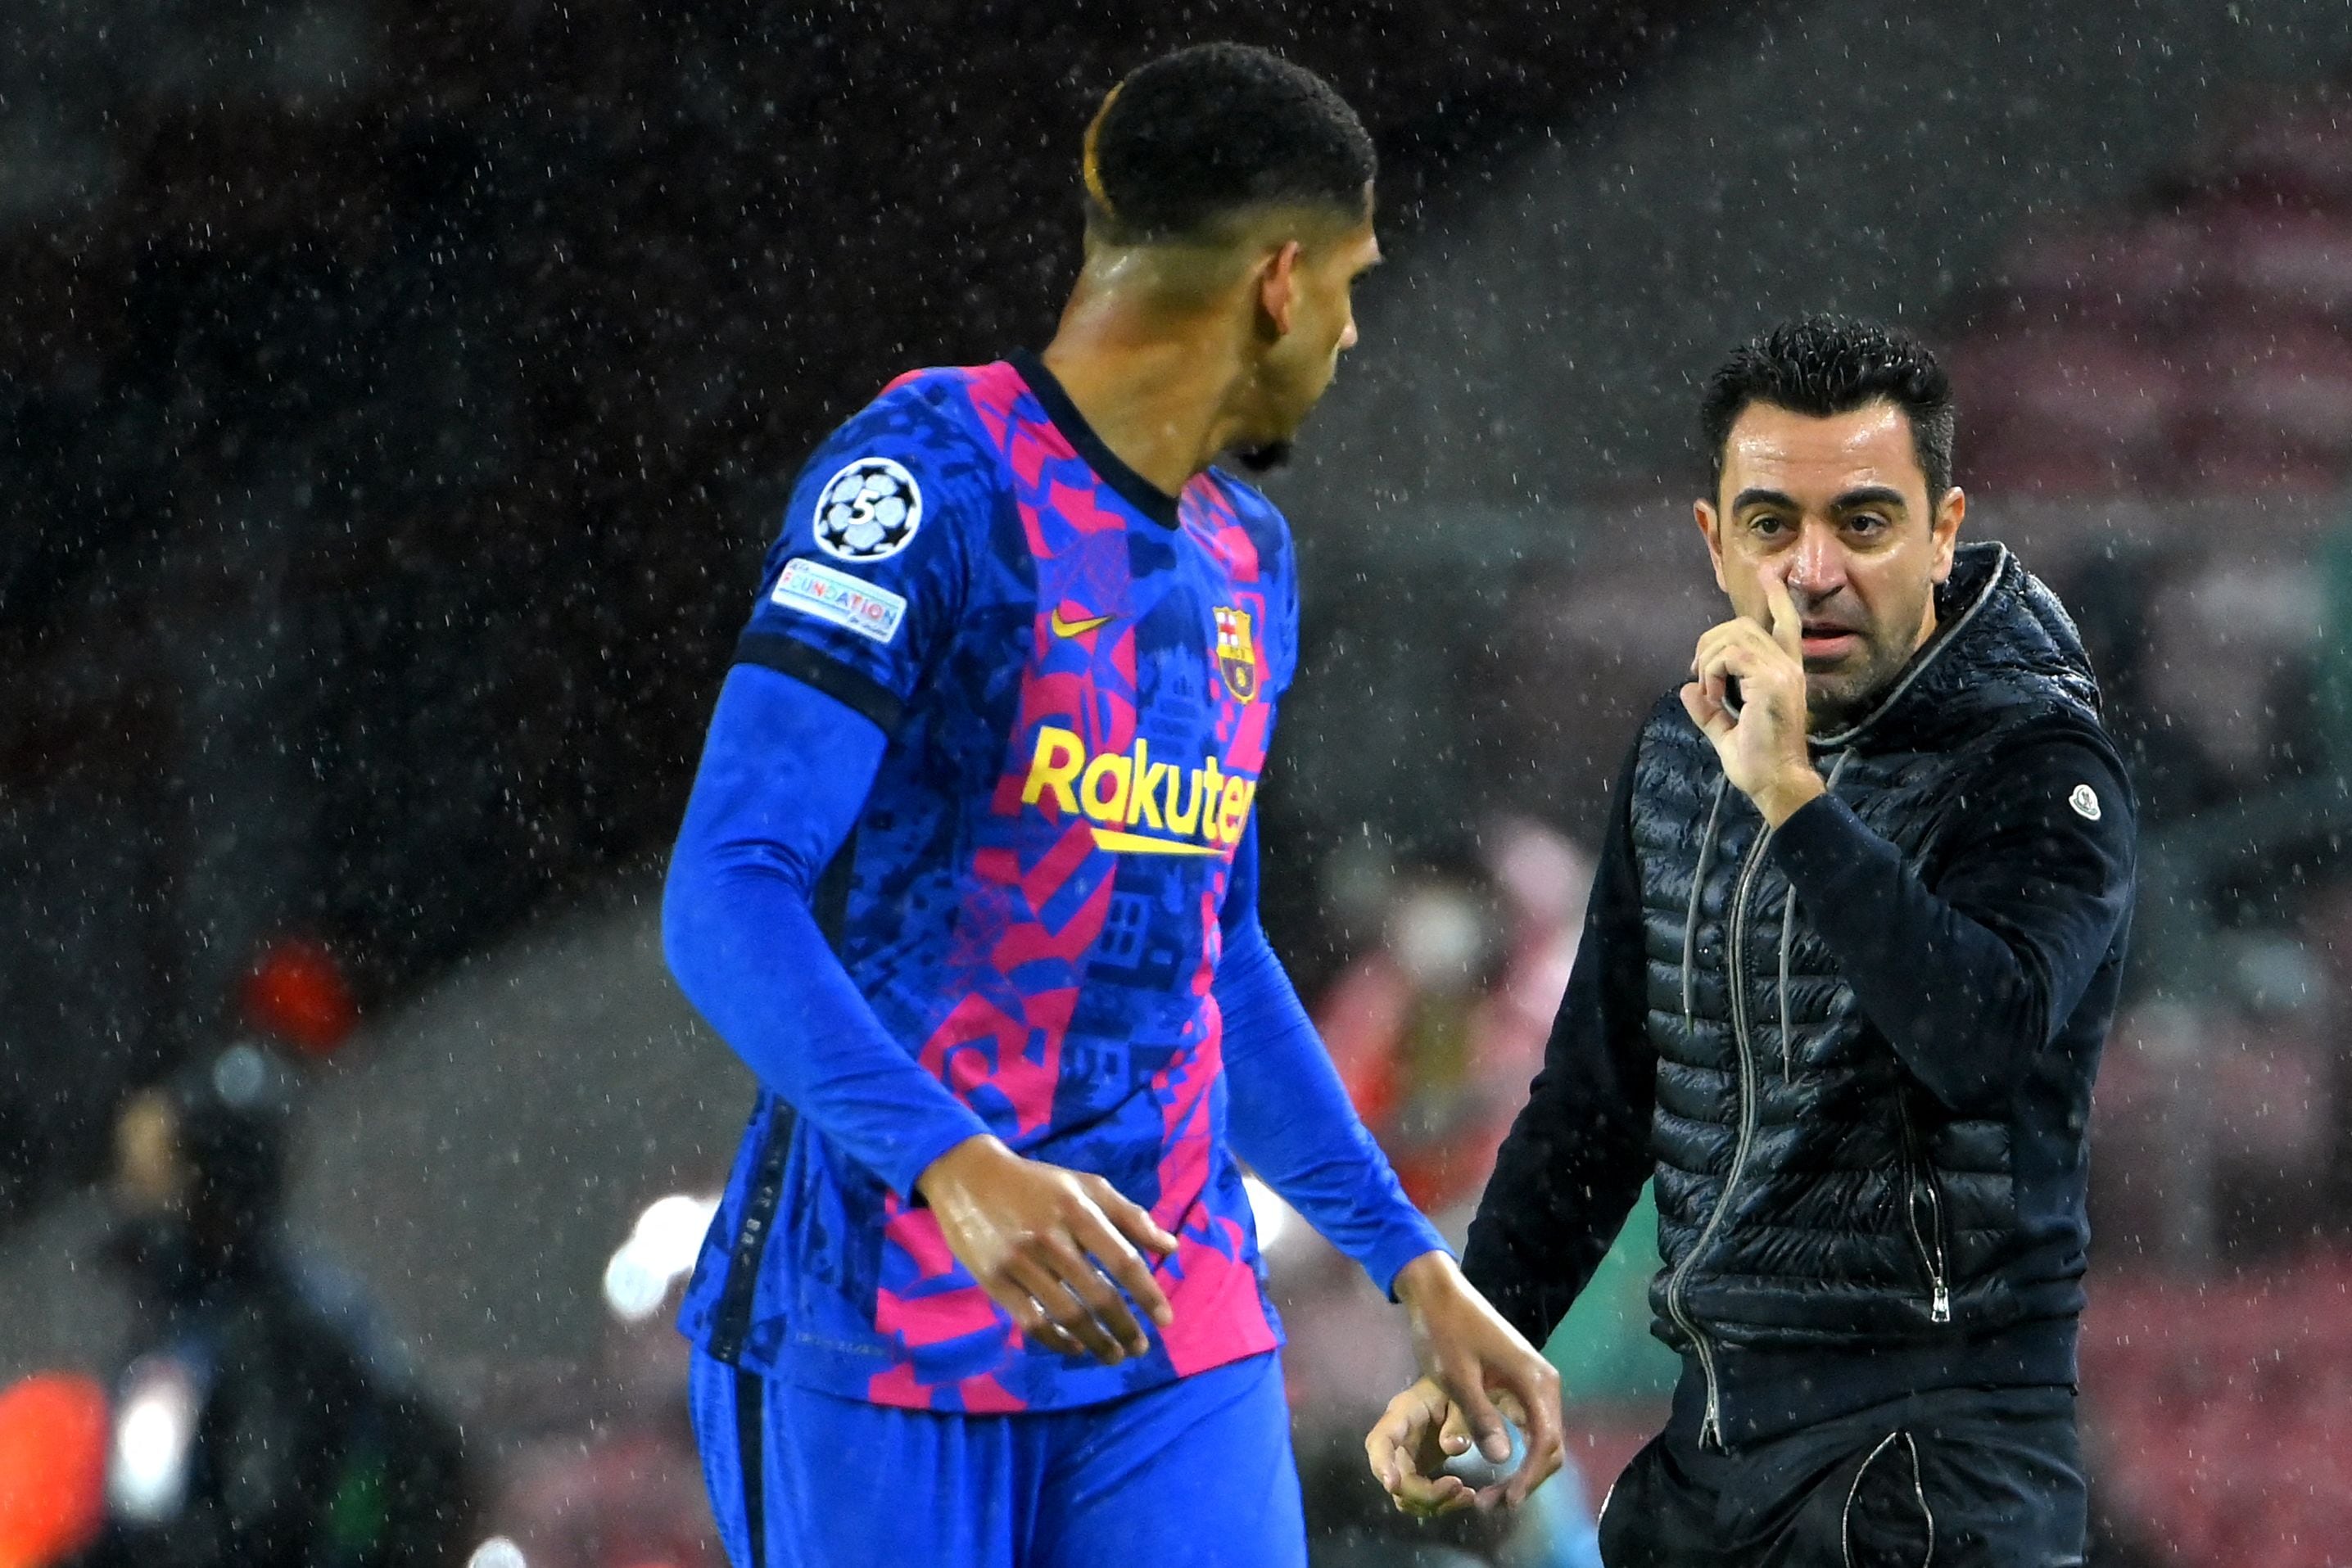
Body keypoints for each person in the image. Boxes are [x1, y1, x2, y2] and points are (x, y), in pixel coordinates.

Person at [661, 42, 1561, 1568]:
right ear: (1279, 281)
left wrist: (1410, 1263)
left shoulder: (1245, 561)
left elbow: (1212, 956)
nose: (1350, 334)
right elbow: (727, 888)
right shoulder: (929, 480)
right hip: (882, 1318)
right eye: (1350, 284)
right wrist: (957, 1166)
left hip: (1176, 1333)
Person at [1368, 315, 2137, 1565]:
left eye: (1867, 523)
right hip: (1711, 1447)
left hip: (1940, 1466)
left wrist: (1792, 796)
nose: (1813, 568)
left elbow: (1980, 1041)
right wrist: (1482, 1350)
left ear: (1944, 532)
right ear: (1713, 538)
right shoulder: (1680, 754)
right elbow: (1596, 1104)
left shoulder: (2038, 764)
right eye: (1773, 524)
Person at [71, 1044, 473, 1568]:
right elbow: (139, 1512)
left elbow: (264, 1524)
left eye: (158, 1190)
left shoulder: (281, 1330)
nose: (134, 1212)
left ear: (213, 1192)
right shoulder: (185, 1332)